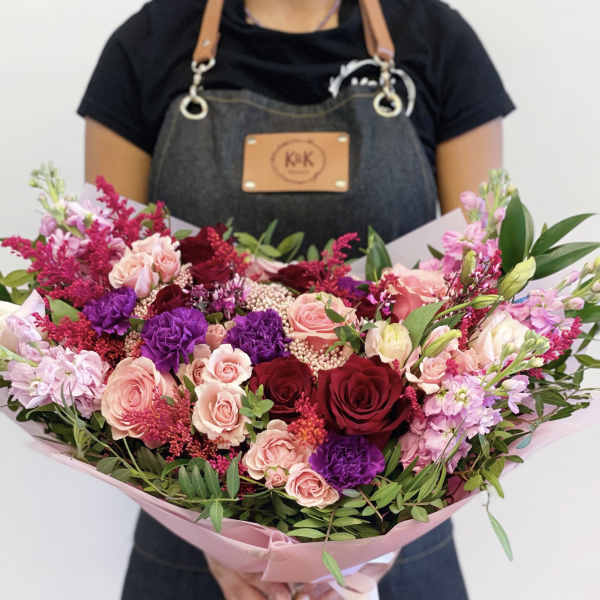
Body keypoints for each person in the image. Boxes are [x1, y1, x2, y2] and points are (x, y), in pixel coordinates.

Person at [79, 1, 514, 598]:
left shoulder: (437, 42)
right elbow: (110, 296)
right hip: (190, 536)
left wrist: (373, 548)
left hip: (401, 534)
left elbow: (478, 288)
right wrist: (220, 544)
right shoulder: (147, 45)